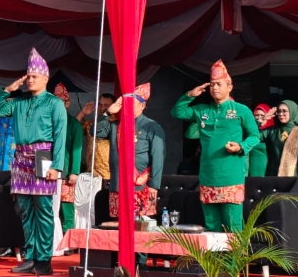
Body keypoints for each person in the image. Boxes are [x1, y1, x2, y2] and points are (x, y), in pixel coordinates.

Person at [0, 48, 66, 276]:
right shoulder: (19, 102)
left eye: (35, 76)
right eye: (28, 76)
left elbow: (60, 135)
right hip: (21, 157)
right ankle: (30, 257)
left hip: (43, 155)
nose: (30, 80)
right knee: (25, 210)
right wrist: (7, 90)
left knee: (43, 210)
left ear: (45, 78)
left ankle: (44, 259)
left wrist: (57, 166)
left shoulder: (54, 103)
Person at [171, 60, 258, 233]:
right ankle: (214, 253)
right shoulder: (202, 110)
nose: (215, 88)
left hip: (231, 176)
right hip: (208, 176)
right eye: (212, 84)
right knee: (211, 227)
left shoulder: (241, 110)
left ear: (229, 87)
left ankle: (235, 253)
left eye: (219, 84)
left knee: (233, 228)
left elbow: (255, 136)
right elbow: (177, 112)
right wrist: (190, 95)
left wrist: (240, 147)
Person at [105, 84, 165, 220]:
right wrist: (108, 112)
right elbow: (95, 132)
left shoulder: (152, 126)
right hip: (118, 184)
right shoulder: (116, 125)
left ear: (142, 106)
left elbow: (158, 157)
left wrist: (154, 186)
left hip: (141, 186)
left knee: (141, 226)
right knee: (118, 225)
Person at [53, 84, 83, 233]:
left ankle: (68, 239)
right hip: (48, 171)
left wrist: (74, 172)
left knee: (66, 209)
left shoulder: (74, 124)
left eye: (61, 102)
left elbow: (77, 149)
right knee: (50, 208)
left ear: (67, 103)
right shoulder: (47, 121)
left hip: (66, 172)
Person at [260, 101, 298, 176]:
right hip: (273, 177)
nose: (281, 114)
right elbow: (253, 136)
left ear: (292, 111)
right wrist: (261, 121)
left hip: (294, 177)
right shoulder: (271, 131)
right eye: (279, 111)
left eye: (284, 111)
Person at [78, 94, 115, 185]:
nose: (102, 108)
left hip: (108, 174)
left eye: (106, 105)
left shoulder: (116, 124)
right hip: (90, 174)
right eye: (99, 105)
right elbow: (72, 130)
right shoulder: (90, 124)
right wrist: (82, 114)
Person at [249, 104, 271, 177]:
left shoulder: (272, 132)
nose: (259, 118)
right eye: (256, 115)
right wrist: (258, 124)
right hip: (250, 171)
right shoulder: (250, 133)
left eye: (262, 115)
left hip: (267, 172)